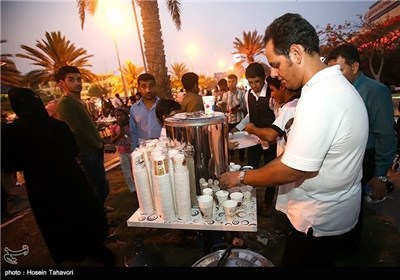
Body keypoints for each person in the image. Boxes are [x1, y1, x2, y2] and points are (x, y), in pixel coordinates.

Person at [219, 13, 369, 266]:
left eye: (276, 64)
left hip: (318, 222)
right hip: (329, 215)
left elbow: (293, 169)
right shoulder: (332, 87)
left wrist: (242, 177)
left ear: (296, 53)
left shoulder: (321, 97)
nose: (275, 74)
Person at [1, 87, 114, 265]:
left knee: (56, 222)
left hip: (42, 186)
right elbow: (73, 149)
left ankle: (71, 254)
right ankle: (94, 247)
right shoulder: (58, 126)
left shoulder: (12, 132)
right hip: (71, 179)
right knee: (82, 213)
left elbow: (9, 164)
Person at [326, 44, 396, 202]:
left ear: (354, 67)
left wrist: (380, 176)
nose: (334, 77)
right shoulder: (338, 91)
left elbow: (385, 135)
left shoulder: (375, 91)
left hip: (365, 159)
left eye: (339, 71)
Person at [55, 66, 110, 209]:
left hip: (94, 150)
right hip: (86, 153)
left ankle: (100, 211)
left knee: (101, 185)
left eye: (79, 79)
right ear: (61, 83)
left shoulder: (78, 102)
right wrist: (97, 144)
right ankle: (97, 217)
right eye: (71, 80)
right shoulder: (66, 103)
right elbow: (77, 130)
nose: (77, 83)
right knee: (99, 188)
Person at [231, 62, 277, 216]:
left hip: (271, 141)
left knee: (271, 173)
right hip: (253, 141)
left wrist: (271, 136)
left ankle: (268, 203)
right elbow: (250, 116)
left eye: (257, 82)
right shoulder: (248, 94)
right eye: (251, 82)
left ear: (264, 79)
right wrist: (237, 128)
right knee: (249, 169)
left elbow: (278, 118)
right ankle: (250, 201)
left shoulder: (271, 94)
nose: (254, 85)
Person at [129, 73, 162, 149]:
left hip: (161, 149)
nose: (148, 90)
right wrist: (135, 151)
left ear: (155, 86)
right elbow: (133, 132)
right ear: (139, 88)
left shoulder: (164, 106)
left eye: (151, 85)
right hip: (143, 150)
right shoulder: (134, 109)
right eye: (144, 86)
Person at [221, 74, 246, 163]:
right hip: (229, 122)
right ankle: (231, 159)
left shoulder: (242, 93)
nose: (231, 84)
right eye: (229, 82)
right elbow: (223, 108)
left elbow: (245, 108)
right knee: (229, 141)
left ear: (236, 82)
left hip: (239, 121)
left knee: (241, 141)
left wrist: (238, 110)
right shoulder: (225, 95)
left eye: (233, 81)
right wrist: (225, 109)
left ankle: (242, 160)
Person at [110, 107, 136, 194]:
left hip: (132, 150)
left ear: (126, 116)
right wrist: (119, 135)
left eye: (121, 115)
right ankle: (132, 188)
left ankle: (138, 185)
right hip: (122, 152)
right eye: (117, 115)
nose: (119, 117)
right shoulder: (114, 127)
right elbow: (112, 140)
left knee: (135, 169)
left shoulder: (131, 125)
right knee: (126, 171)